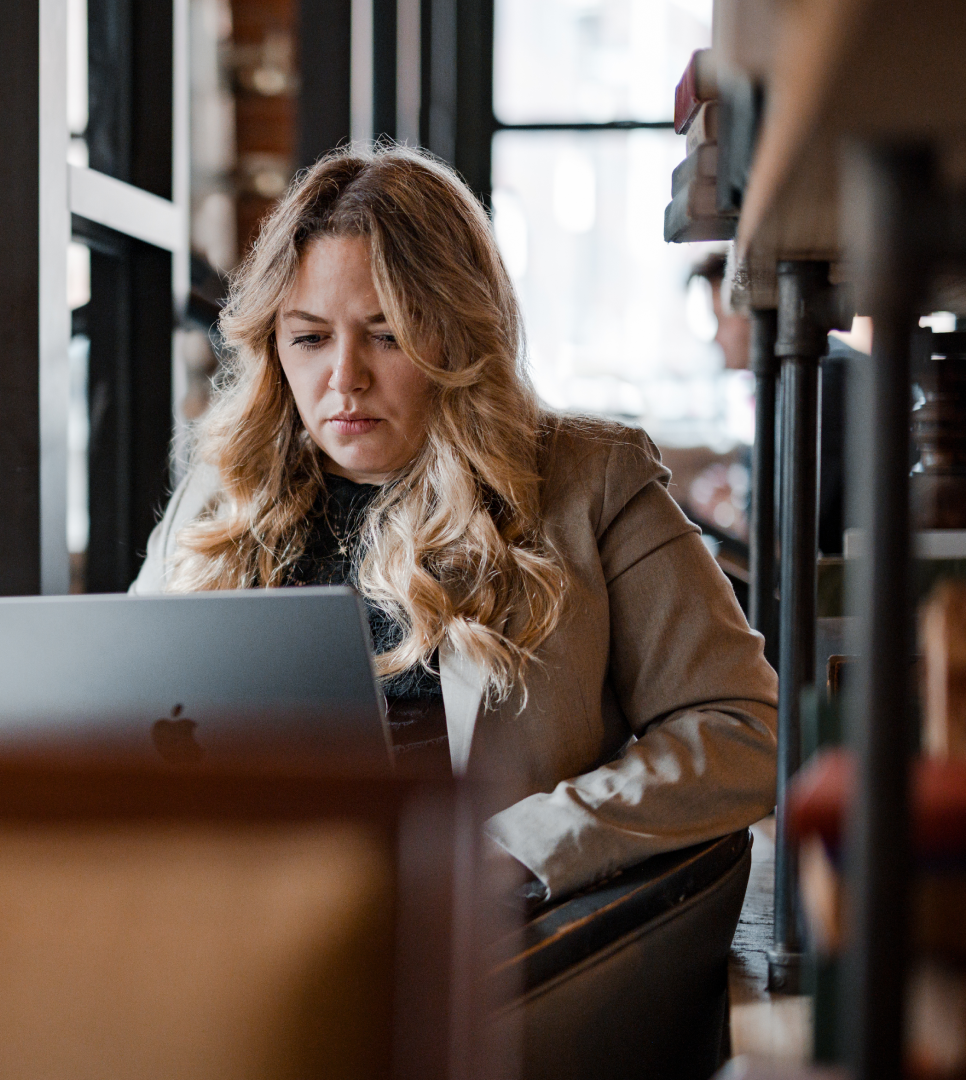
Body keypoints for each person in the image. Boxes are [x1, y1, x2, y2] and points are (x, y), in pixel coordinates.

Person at [130, 147, 778, 902]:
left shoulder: (588, 481)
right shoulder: (221, 487)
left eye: (388, 334)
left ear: (459, 334)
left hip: (469, 930)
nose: (344, 379)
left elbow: (742, 730)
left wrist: (523, 848)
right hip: (238, 900)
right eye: (308, 337)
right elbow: (134, 714)